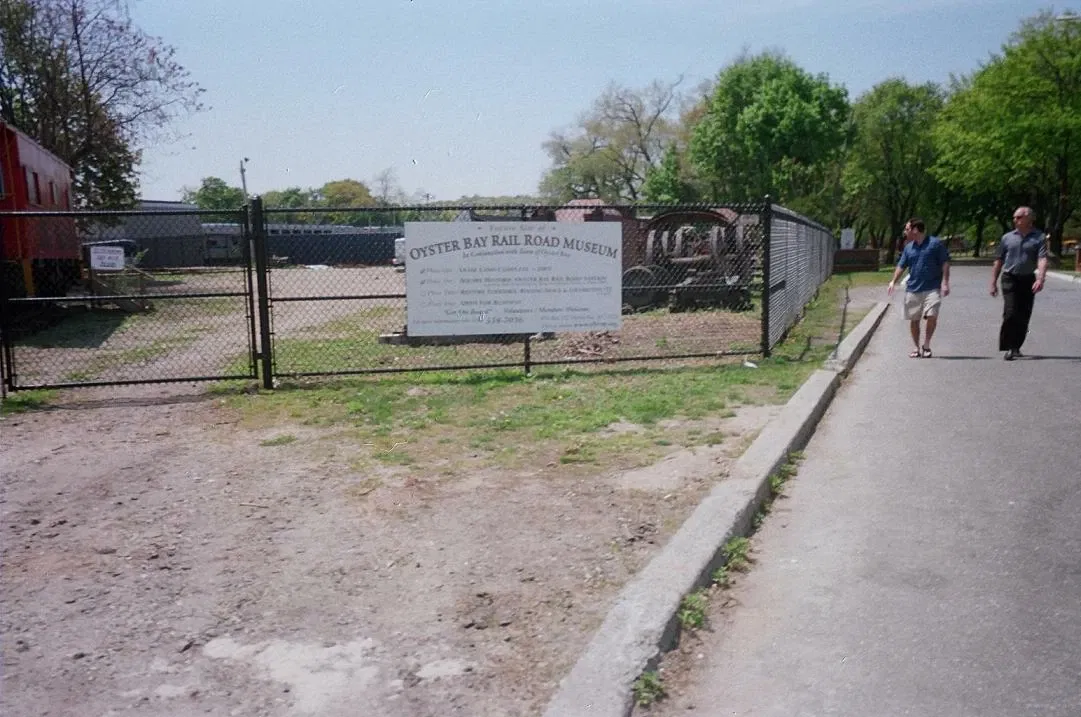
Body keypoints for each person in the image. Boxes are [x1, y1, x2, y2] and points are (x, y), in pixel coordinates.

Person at [990, 206, 1048, 360]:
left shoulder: (1039, 237)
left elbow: (1042, 259)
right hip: (1009, 277)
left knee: (1023, 315)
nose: (1015, 220)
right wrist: (993, 282)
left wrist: (1040, 278)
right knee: (1010, 312)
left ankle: (1016, 346)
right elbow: (999, 260)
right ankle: (1009, 346)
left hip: (1028, 279)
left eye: (1018, 217)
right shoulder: (1007, 237)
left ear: (1029, 219)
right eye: (1015, 217)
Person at [887, 218, 951, 358]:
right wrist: (893, 281)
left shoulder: (935, 244)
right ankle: (916, 347)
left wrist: (945, 283)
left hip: (932, 287)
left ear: (915, 230)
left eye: (907, 229)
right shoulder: (909, 247)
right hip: (913, 289)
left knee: (932, 315)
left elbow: (945, 263)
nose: (905, 232)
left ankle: (926, 345)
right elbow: (901, 266)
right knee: (914, 319)